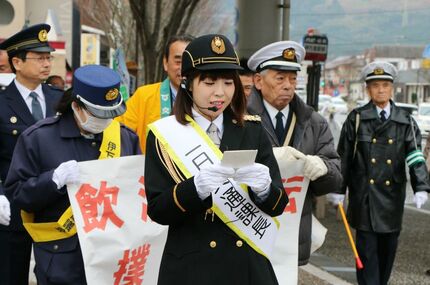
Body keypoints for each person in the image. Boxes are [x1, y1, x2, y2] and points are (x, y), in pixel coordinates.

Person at [144, 34, 288, 285]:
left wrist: (265, 189)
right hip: (191, 267)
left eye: (228, 83)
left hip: (245, 266)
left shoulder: (252, 129)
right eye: (209, 82)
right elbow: (158, 210)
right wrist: (195, 188)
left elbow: (277, 205)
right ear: (188, 83)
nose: (219, 93)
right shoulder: (164, 135)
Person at [4, 64, 141, 284]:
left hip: (112, 258)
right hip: (62, 260)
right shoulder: (39, 138)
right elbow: (17, 194)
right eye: (99, 114)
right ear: (77, 106)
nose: (105, 121)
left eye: (110, 114)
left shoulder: (125, 138)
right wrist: (53, 180)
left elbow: (137, 194)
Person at [246, 40, 342, 266]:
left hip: (294, 229)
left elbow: (336, 175)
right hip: (250, 225)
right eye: (280, 78)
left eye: (292, 78)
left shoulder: (314, 122)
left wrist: (323, 169)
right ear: (258, 81)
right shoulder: (240, 119)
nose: (288, 86)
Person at [337, 61, 430, 285]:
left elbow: (415, 155)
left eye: (385, 85)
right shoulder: (357, 118)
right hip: (365, 198)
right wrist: (338, 189)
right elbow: (344, 157)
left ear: (392, 88)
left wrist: (421, 186)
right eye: (376, 85)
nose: (381, 90)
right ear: (368, 89)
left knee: (387, 255)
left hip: (392, 199)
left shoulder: (405, 120)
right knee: (368, 256)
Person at [0, 23, 63, 285]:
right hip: (13, 202)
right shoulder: (2, 102)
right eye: (39, 58)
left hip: (56, 204)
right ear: (17, 62)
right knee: (11, 273)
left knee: (58, 274)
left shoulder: (60, 99)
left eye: (48, 57)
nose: (47, 63)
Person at [116, 34, 194, 153]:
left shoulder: (209, 100)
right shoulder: (144, 96)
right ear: (165, 63)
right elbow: (118, 132)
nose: (183, 68)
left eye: (189, 62)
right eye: (178, 61)